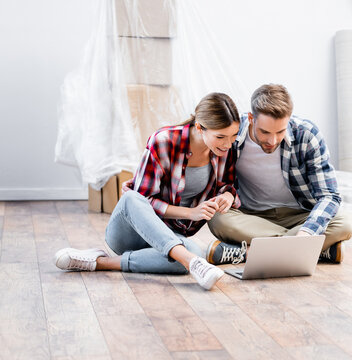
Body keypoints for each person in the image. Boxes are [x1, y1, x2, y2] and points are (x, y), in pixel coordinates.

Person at [54, 93, 241, 290]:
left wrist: (228, 195)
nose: (228, 144)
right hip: (130, 232)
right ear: (199, 127)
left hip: (169, 238)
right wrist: (190, 213)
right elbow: (141, 200)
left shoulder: (224, 150)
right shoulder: (163, 141)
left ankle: (99, 262)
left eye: (234, 136)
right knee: (132, 198)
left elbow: (227, 184)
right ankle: (190, 261)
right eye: (220, 137)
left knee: (195, 253)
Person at [206, 84, 352, 266]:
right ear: (251, 118)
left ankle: (246, 252)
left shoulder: (307, 135)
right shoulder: (234, 135)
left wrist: (306, 232)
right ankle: (316, 249)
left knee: (344, 223)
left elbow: (329, 195)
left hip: (299, 214)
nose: (272, 140)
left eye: (280, 131)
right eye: (265, 132)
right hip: (252, 216)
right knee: (217, 218)